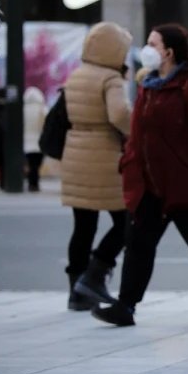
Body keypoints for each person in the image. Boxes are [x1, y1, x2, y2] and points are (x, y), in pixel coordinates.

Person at [92, 24, 188, 326]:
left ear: (168, 51)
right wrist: (130, 165)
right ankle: (126, 305)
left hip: (187, 186)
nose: (147, 48)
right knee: (138, 244)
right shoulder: (149, 84)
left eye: (153, 43)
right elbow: (138, 134)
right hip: (150, 186)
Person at [62, 22, 132, 311]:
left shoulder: (76, 75)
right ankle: (95, 273)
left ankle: (76, 290)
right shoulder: (110, 78)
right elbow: (118, 114)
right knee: (127, 221)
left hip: (76, 153)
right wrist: (134, 132)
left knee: (83, 226)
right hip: (104, 156)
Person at [23, 86, 48, 192]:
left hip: (26, 142)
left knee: (30, 164)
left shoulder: (22, 110)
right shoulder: (43, 109)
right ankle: (34, 183)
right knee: (36, 165)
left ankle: (31, 183)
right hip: (39, 142)